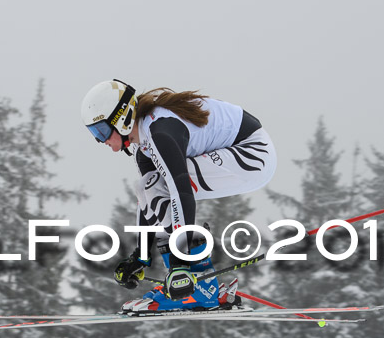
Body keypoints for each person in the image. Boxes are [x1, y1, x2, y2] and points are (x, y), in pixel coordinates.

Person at [80, 79, 277, 312]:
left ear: (121, 117)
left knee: (165, 186)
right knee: (147, 185)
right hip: (241, 155)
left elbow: (180, 190)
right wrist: (140, 257)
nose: (103, 141)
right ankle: (197, 283)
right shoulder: (145, 146)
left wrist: (179, 264)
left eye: (102, 131)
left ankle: (198, 286)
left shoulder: (159, 132)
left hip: (252, 155)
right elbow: (149, 198)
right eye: (95, 135)